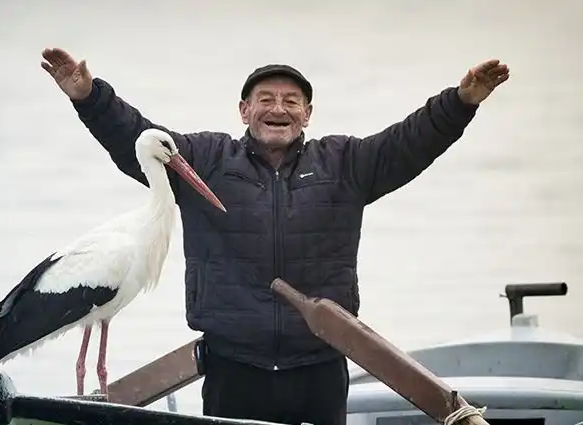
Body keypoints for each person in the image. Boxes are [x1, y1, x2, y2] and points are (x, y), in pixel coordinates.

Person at [40, 48, 509, 425]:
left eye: (291, 100)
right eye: (265, 99)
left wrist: (461, 101)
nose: (278, 108)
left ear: (307, 113)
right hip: (233, 368)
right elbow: (136, 139)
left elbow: (411, 142)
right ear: (244, 110)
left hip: (321, 365)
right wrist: (88, 97)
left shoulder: (346, 164)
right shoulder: (205, 159)